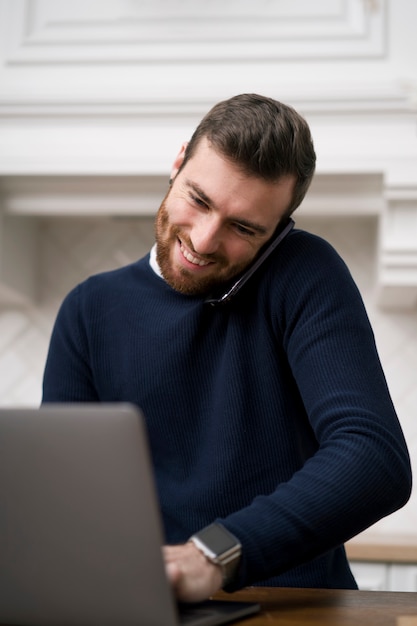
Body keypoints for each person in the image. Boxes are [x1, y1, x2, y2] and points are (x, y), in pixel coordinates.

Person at [42, 93, 412, 602]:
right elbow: (64, 507)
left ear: (278, 232)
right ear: (177, 165)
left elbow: (375, 459)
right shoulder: (88, 310)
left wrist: (213, 554)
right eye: (199, 199)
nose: (205, 239)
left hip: (293, 607)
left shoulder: (305, 273)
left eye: (243, 228)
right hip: (149, 605)